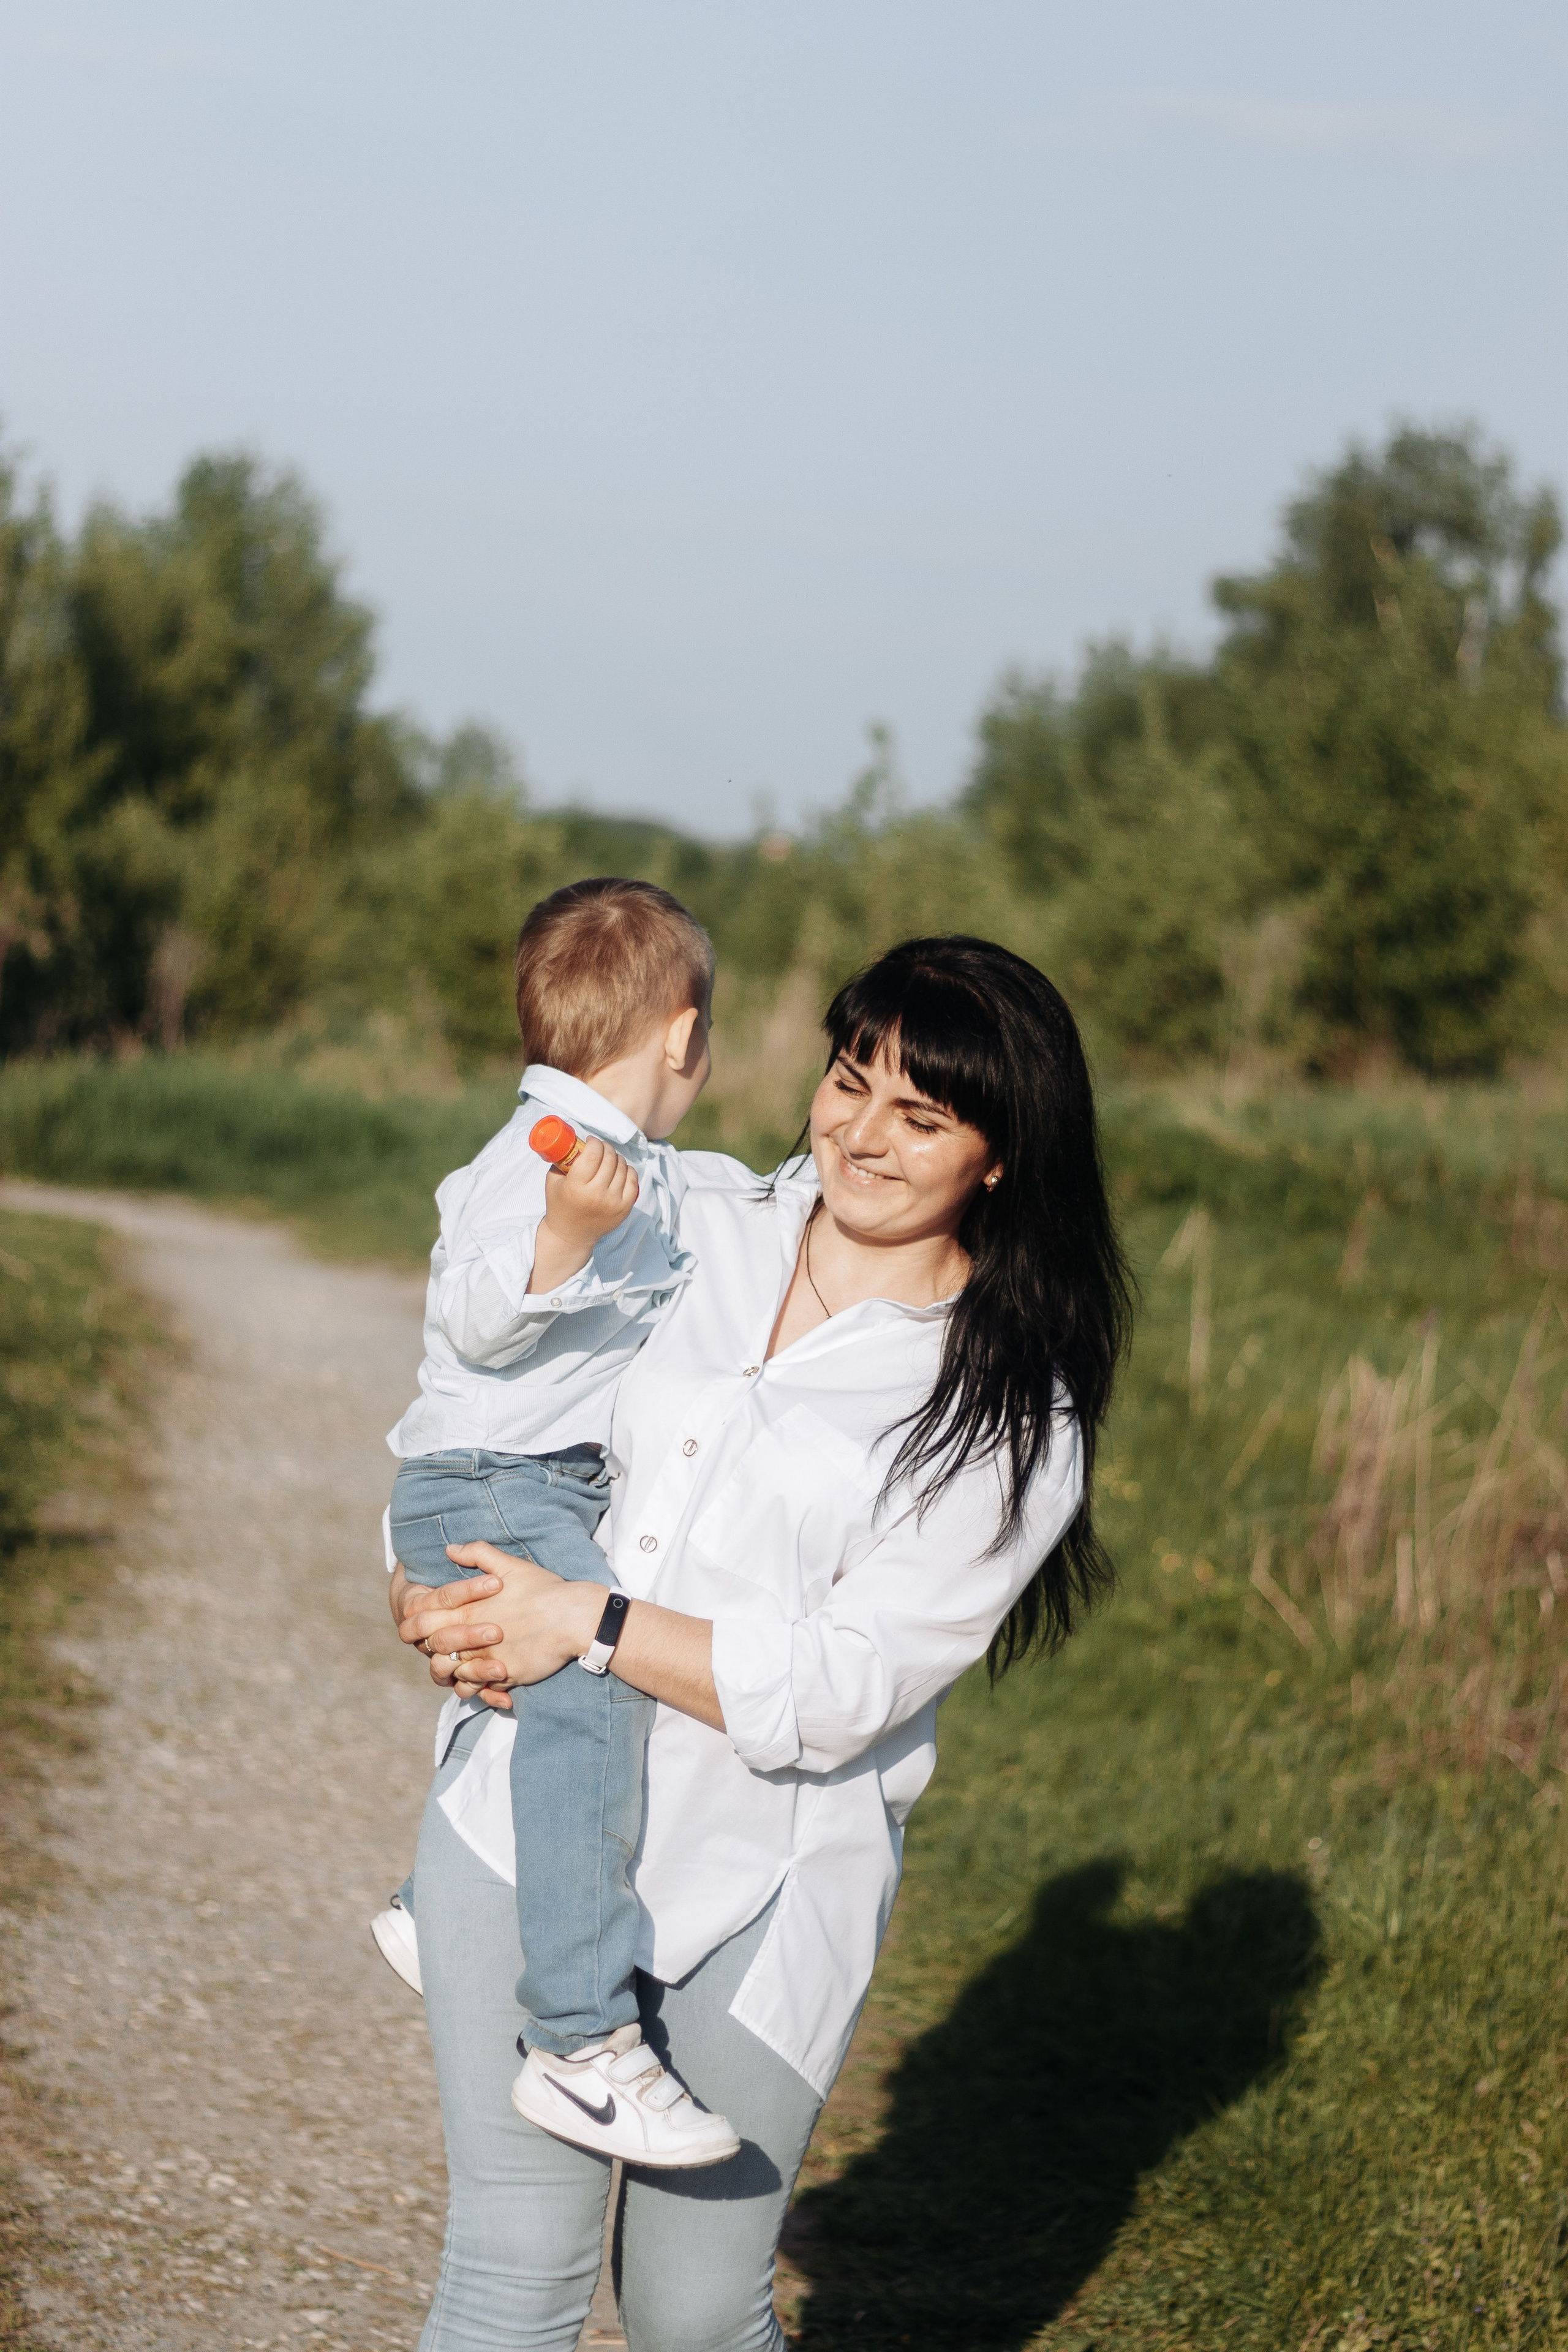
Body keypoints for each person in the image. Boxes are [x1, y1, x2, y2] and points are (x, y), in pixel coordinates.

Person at [392, 933, 1133, 2352]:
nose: (860, 1134)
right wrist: (426, 1592)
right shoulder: (694, 1225)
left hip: (770, 1877)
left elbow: (843, 1686)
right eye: (850, 1082)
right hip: (526, 1820)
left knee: (688, 2311)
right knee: (513, 2265)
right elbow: (495, 1411)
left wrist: (585, 1626)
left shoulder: (1012, 1415)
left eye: (918, 1118)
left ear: (998, 1156)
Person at [381, 875, 741, 2168]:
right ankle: (582, 2040)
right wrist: (564, 1237)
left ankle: (442, 1904)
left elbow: (710, 1219)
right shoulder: (539, 1157)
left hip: (519, 1477)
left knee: (544, 1696)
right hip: (495, 1478)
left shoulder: (636, 1162)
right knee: (591, 1687)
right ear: (684, 1035)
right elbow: (478, 1314)